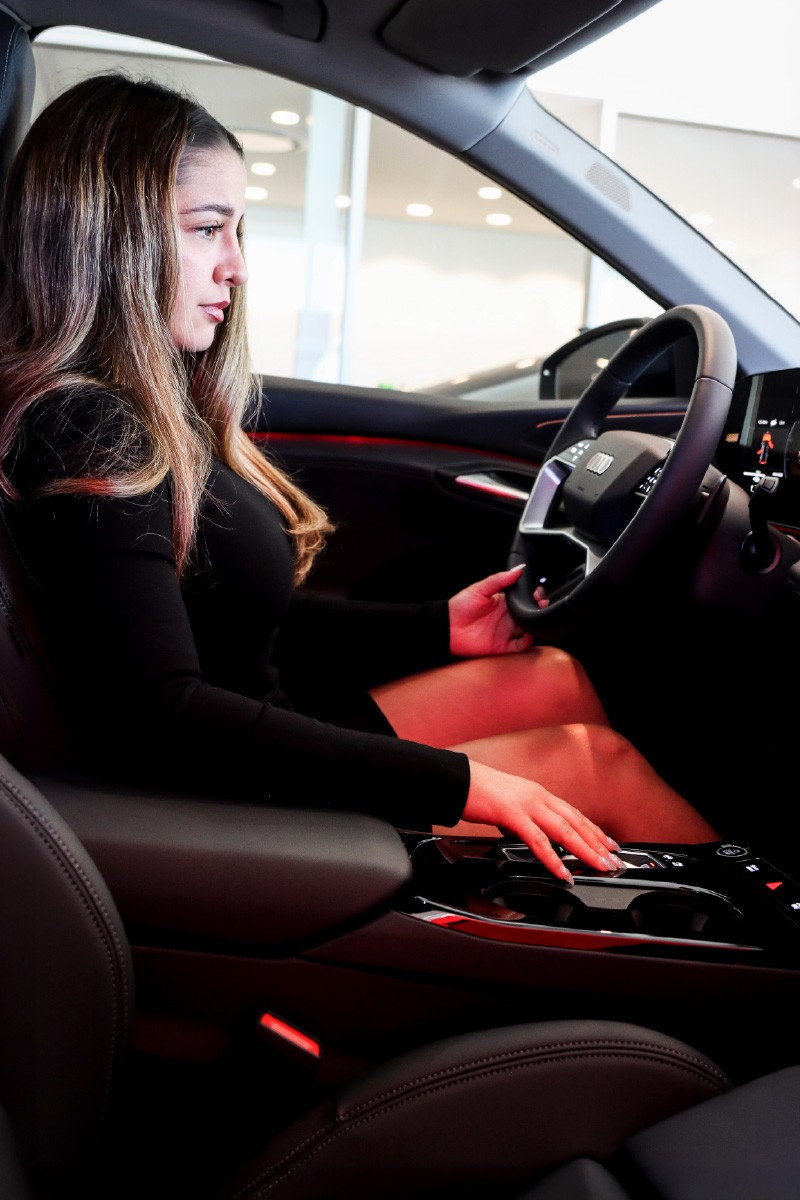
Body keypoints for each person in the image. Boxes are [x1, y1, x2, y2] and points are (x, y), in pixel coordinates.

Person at [0, 75, 717, 883]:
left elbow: (226, 611)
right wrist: (464, 784)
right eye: (207, 230)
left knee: (550, 678)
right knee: (593, 763)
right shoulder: (86, 428)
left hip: (252, 735)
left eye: (237, 231)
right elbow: (163, 714)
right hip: (212, 794)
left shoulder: (144, 409)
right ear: (110, 238)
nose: (237, 267)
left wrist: (436, 628)